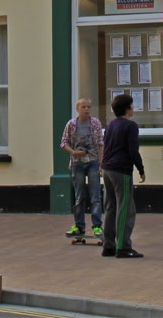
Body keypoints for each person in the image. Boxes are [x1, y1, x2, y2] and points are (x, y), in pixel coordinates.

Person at [100, 93, 145, 258]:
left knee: (111, 207)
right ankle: (123, 246)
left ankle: (108, 245)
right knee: (126, 208)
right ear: (128, 108)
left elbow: (105, 146)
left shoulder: (111, 125)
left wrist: (102, 165)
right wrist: (141, 168)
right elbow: (133, 150)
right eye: (132, 106)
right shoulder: (130, 126)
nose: (133, 109)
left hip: (108, 168)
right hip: (121, 169)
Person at [59, 97, 104, 238]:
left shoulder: (95, 123)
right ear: (77, 109)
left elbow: (100, 143)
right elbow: (64, 142)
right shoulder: (71, 124)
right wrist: (73, 152)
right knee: (79, 196)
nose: (86, 109)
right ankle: (79, 226)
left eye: (89, 107)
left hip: (92, 161)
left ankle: (97, 226)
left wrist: (101, 163)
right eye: (83, 107)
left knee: (95, 195)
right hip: (77, 163)